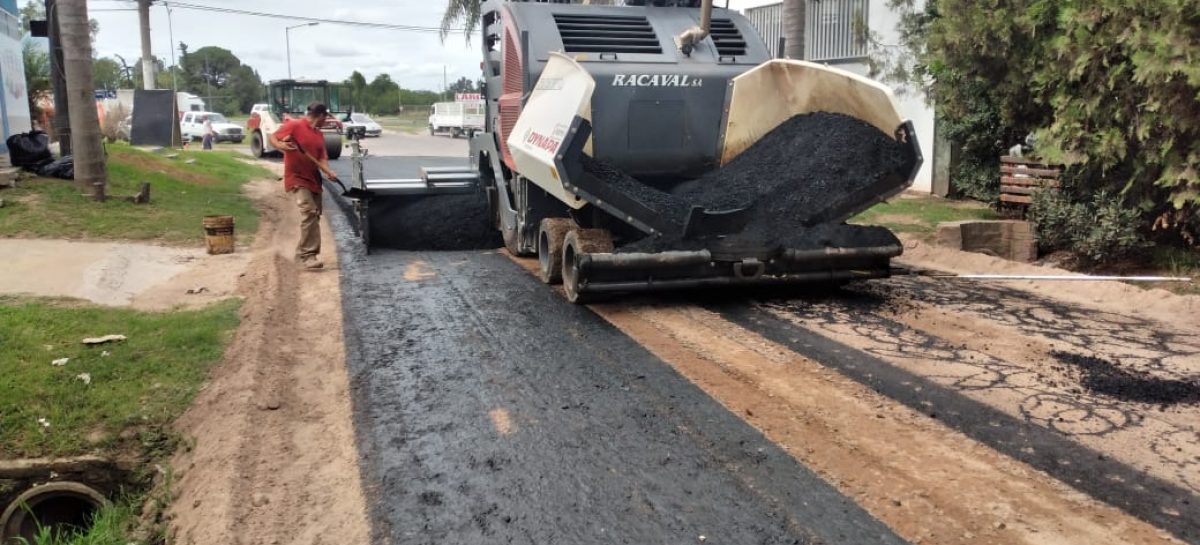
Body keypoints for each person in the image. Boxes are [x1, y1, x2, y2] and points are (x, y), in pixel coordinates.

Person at [268, 102, 341, 270]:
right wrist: (281, 146)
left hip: (314, 178)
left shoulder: (319, 135)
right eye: (326, 118)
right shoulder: (294, 125)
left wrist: (329, 172)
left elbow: (321, 157)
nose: (325, 121)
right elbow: (273, 138)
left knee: (314, 216)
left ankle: (301, 253)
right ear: (321, 116)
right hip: (296, 177)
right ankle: (309, 256)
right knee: (309, 212)